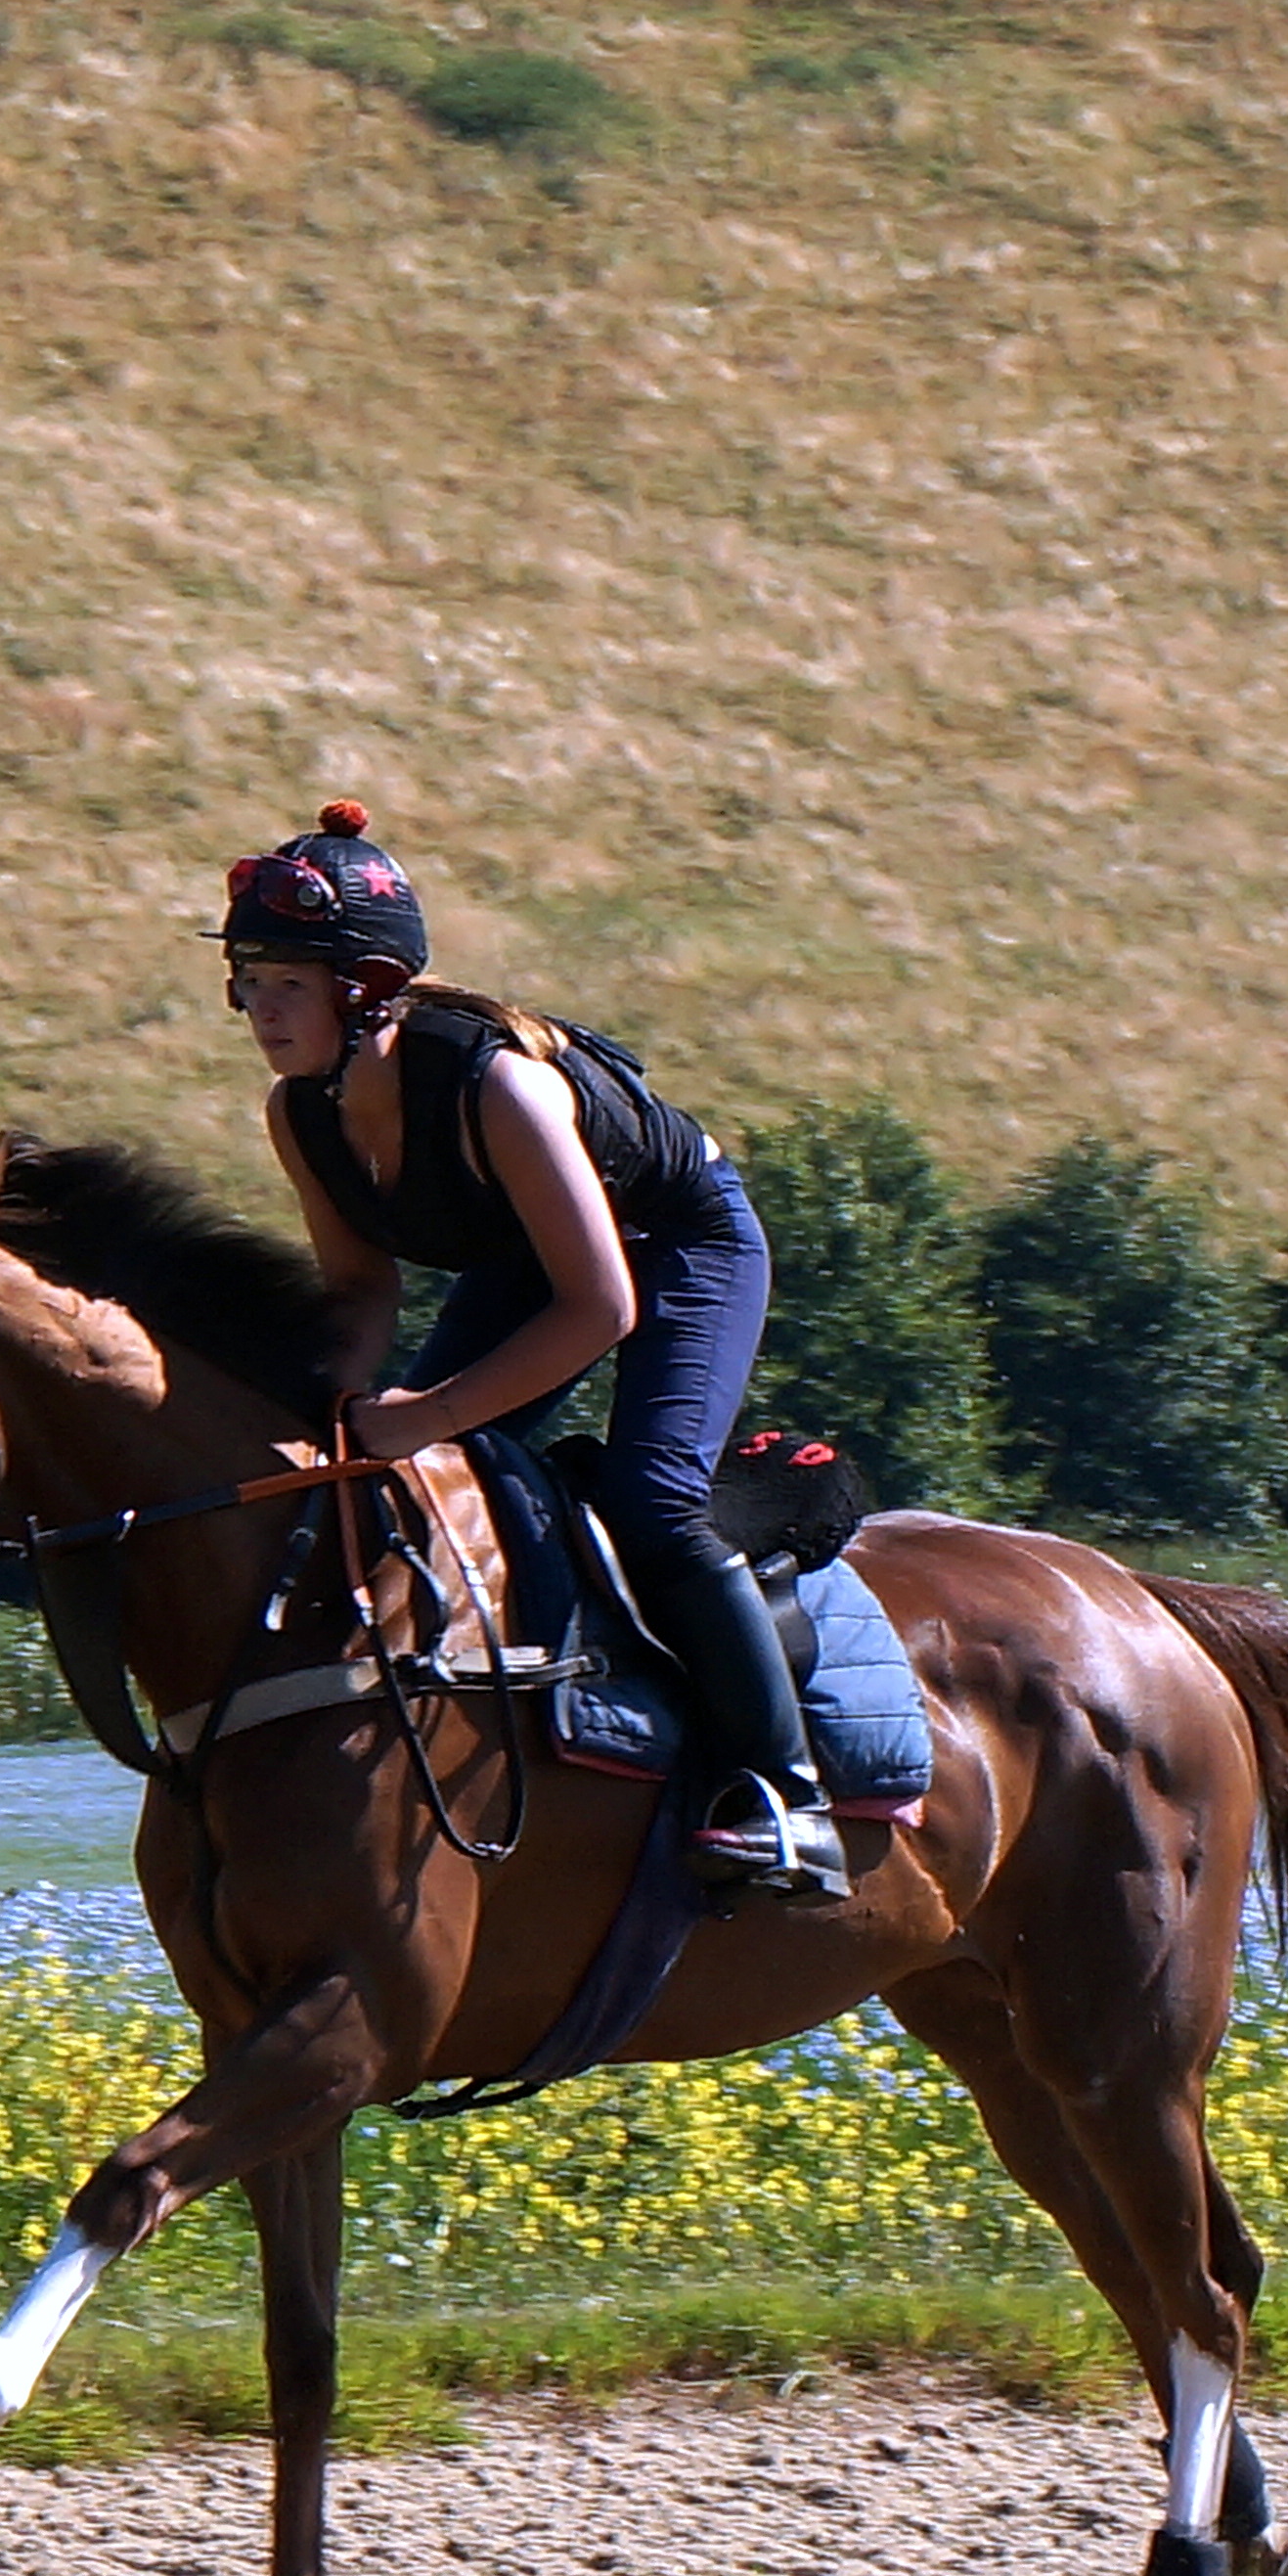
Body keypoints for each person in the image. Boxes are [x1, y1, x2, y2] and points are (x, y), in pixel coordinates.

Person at [221, 802, 844, 1897]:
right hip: (532, 1260)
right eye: (245, 981)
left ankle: (788, 1799)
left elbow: (599, 1308)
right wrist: (336, 1412)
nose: (258, 1010)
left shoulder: (498, 1086)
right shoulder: (299, 1111)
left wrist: (425, 1413)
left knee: (653, 1504)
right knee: (403, 1481)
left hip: (677, 1247)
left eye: (286, 984)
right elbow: (361, 1289)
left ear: (366, 989)